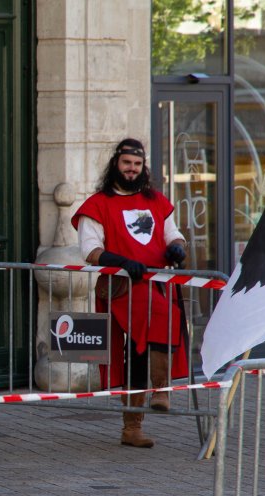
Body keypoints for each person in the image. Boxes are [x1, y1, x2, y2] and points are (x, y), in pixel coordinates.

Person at [70, 138, 189, 448]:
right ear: (116, 164)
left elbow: (172, 234)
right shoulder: (97, 204)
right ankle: (155, 396)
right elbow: (90, 250)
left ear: (143, 166)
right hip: (121, 287)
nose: (132, 169)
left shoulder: (156, 202)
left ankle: (136, 423)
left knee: (140, 350)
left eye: (137, 164)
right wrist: (120, 261)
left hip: (155, 283)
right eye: (127, 163)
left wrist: (177, 248)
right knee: (160, 320)